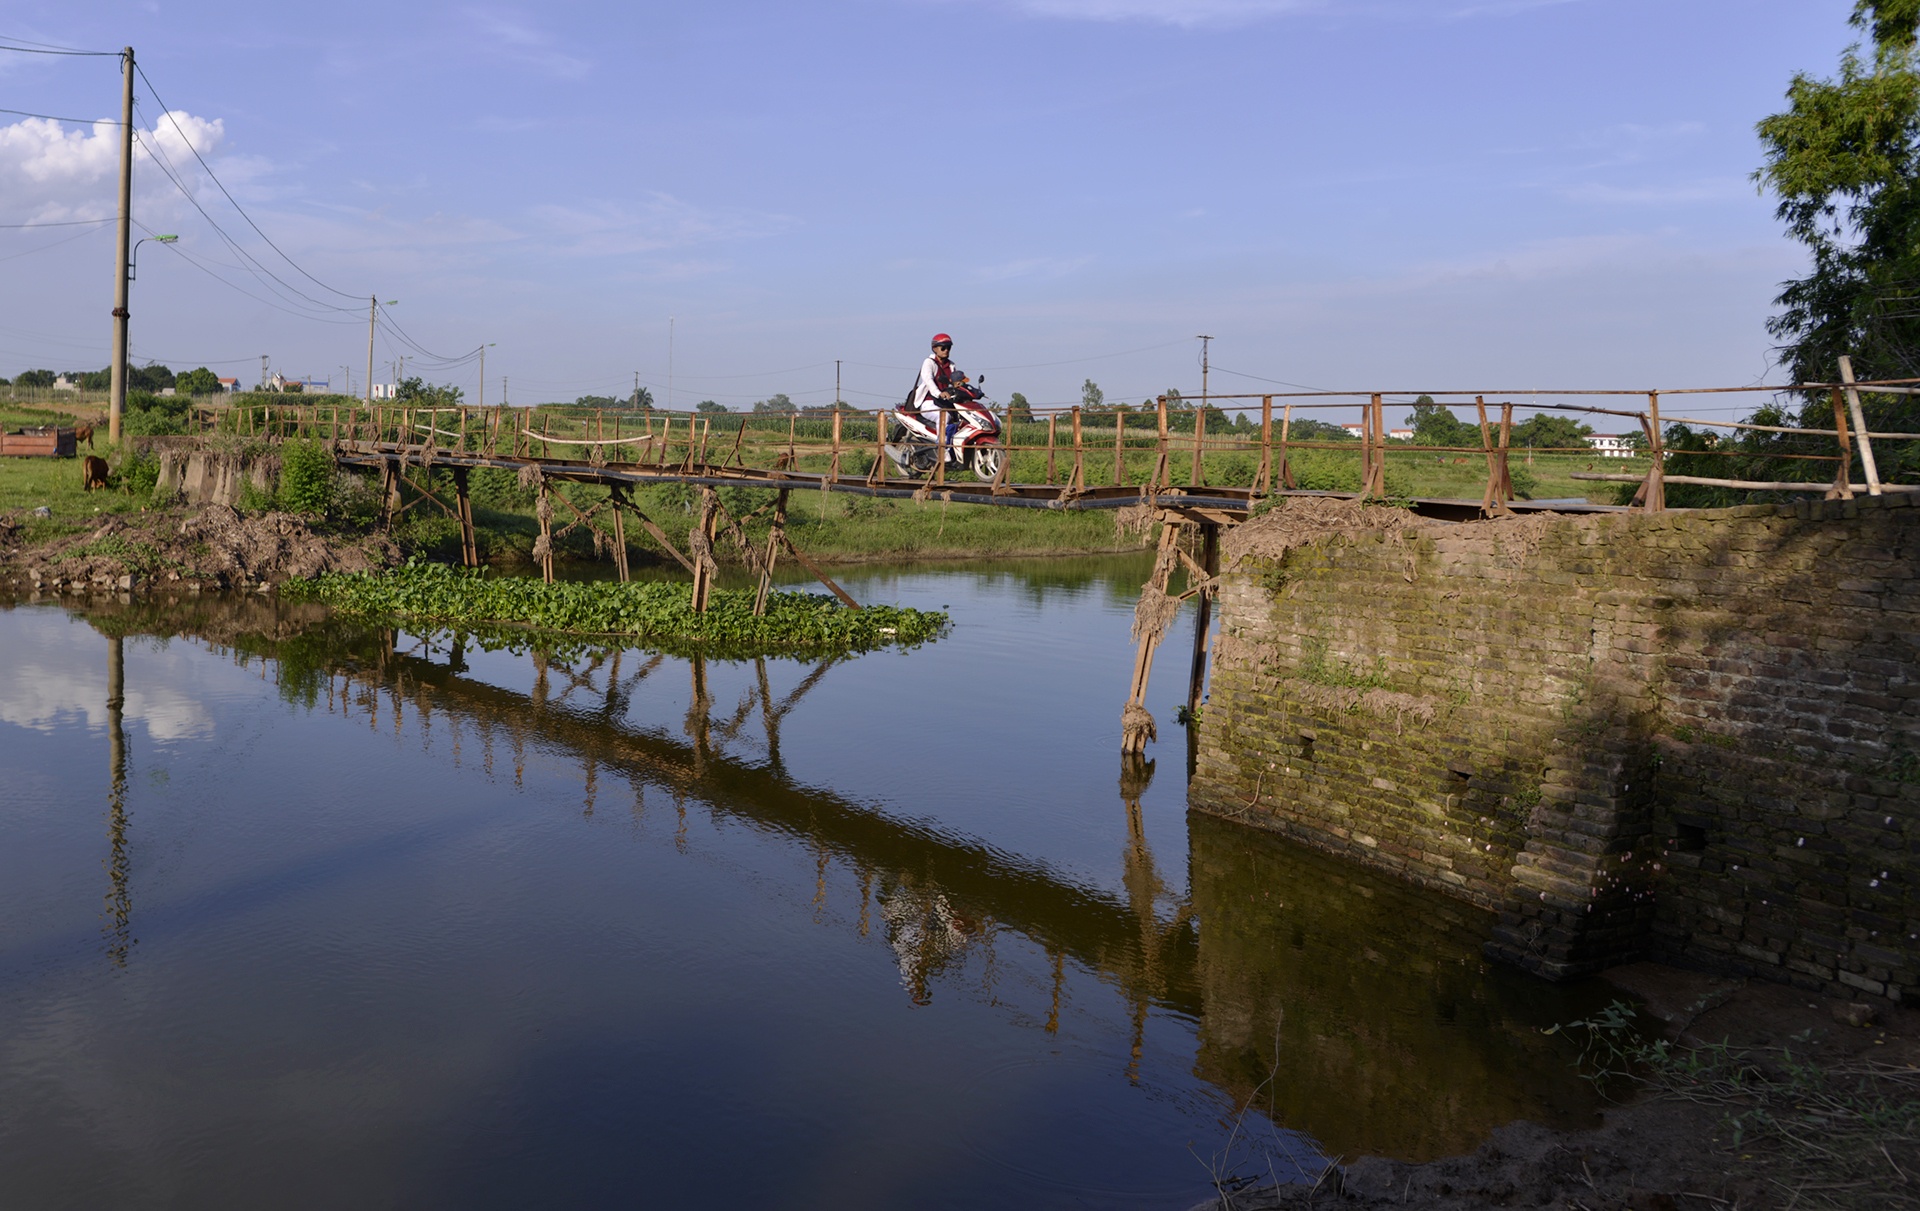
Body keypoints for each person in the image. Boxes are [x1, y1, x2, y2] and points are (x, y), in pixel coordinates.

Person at [905, 333, 957, 438]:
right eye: (943, 348)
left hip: (945, 403)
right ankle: (942, 448)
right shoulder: (929, 362)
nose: (946, 350)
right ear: (934, 349)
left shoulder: (951, 365)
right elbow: (928, 380)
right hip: (928, 402)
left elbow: (955, 381)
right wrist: (939, 393)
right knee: (944, 417)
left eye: (948, 347)